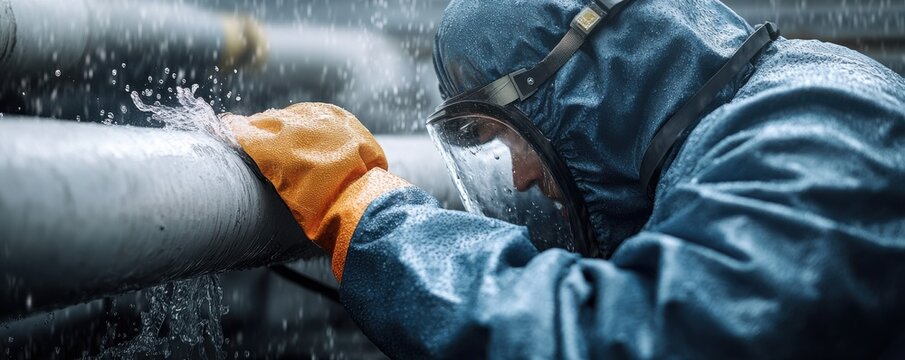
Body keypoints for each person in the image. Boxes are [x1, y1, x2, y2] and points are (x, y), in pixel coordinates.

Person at [225, 0, 905, 357]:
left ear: (581, 80)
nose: (519, 177)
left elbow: (635, 342)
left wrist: (373, 220)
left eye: (505, 138)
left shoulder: (810, 132)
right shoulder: (754, 116)